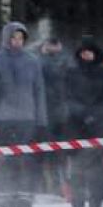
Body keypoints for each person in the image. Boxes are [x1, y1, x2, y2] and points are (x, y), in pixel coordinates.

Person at [0, 21, 47, 207]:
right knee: (6, 163)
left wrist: (42, 122)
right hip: (4, 121)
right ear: (6, 38)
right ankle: (6, 204)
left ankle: (26, 203)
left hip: (27, 121)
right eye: (14, 37)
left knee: (27, 163)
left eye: (21, 38)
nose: (17, 41)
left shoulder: (32, 61)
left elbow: (39, 92)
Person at [61, 37, 103, 207]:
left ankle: (96, 202)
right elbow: (67, 97)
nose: (86, 55)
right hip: (76, 125)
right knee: (76, 168)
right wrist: (82, 113)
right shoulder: (71, 72)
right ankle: (78, 203)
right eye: (83, 52)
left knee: (96, 168)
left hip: (98, 125)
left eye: (89, 51)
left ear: (95, 53)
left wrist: (96, 115)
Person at [34, 34, 70, 192]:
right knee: (46, 153)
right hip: (46, 114)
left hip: (62, 114)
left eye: (55, 44)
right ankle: (49, 188)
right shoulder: (38, 62)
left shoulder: (66, 61)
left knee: (62, 153)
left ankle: (61, 187)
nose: (53, 47)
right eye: (50, 44)